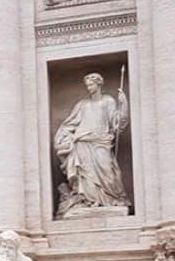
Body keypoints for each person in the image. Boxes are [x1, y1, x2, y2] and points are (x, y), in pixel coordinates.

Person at [53, 72, 129, 217]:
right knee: (86, 175)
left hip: (101, 141)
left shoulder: (108, 101)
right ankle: (89, 201)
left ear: (99, 84)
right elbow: (69, 124)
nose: (89, 88)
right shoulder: (82, 105)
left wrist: (124, 103)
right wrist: (65, 137)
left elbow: (117, 123)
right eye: (87, 85)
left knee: (107, 170)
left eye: (91, 84)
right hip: (82, 142)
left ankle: (110, 199)